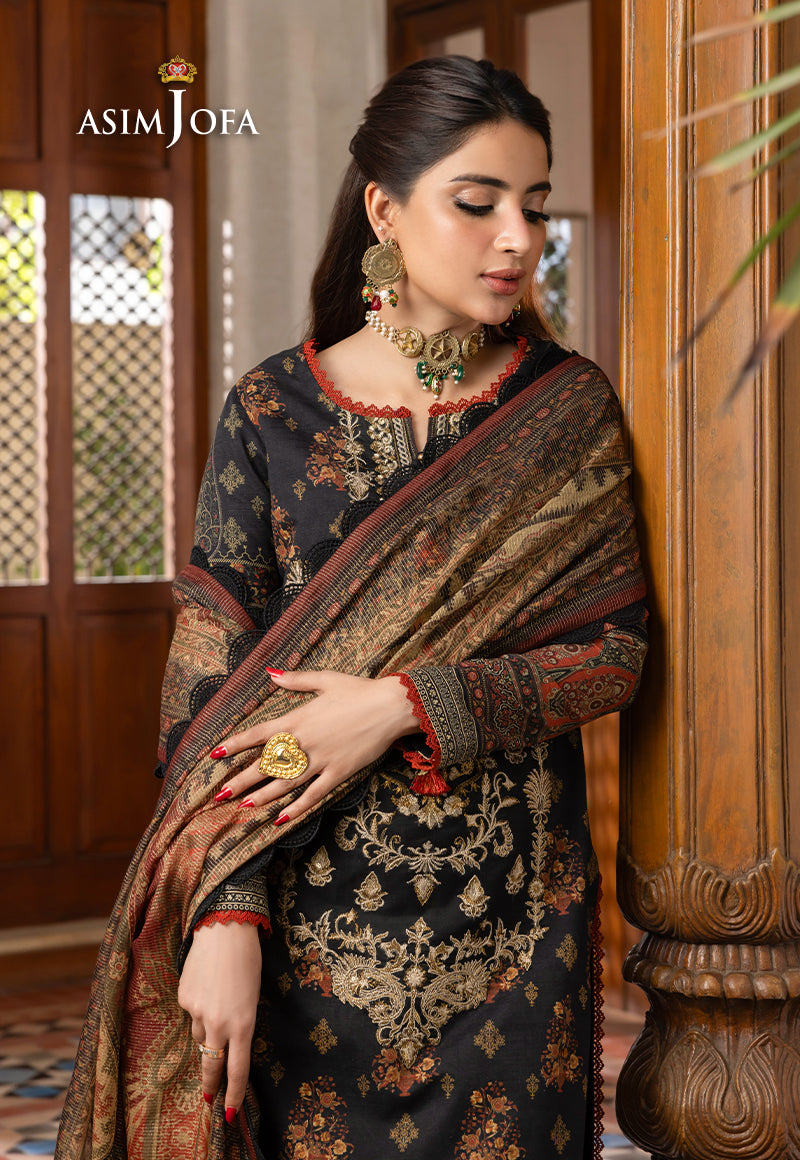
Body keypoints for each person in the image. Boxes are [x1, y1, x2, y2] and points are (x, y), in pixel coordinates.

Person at [57, 55, 647, 1160]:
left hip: (518, 930)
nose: (517, 238)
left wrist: (398, 705)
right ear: (384, 209)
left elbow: (615, 655)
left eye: (533, 205)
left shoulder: (565, 412)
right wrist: (225, 914)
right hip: (304, 929)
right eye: (476, 203)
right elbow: (204, 700)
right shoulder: (272, 410)